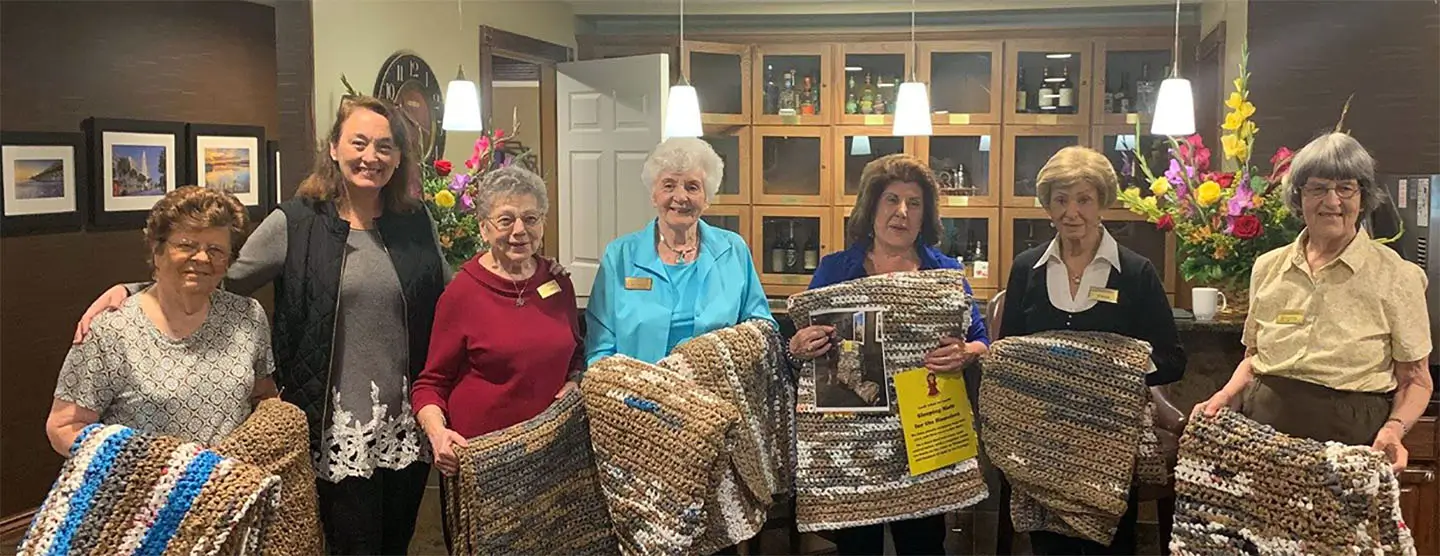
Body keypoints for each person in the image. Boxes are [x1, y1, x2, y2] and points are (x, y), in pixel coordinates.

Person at [73, 96, 448, 554]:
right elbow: (218, 277)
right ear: (334, 148)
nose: (372, 156)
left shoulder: (415, 222)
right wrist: (135, 290)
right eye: (360, 142)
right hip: (336, 426)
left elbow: (451, 296)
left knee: (398, 540)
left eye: (385, 147)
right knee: (354, 545)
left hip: (407, 421)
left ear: (398, 157)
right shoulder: (295, 222)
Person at [789, 153, 991, 556]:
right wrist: (799, 345)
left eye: (914, 203)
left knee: (923, 543)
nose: (902, 212)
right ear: (872, 207)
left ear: (925, 214)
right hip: (852, 440)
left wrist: (966, 352)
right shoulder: (836, 269)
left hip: (926, 428)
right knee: (857, 543)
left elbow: (981, 339)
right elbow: (798, 345)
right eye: (891, 200)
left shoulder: (945, 272)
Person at [1198, 132, 1433, 472]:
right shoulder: (1268, 268)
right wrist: (1223, 397)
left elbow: (1416, 380)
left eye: (1345, 188)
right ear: (1299, 196)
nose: (1332, 201)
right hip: (1260, 440)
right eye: (1318, 188)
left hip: (1351, 445)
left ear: (1363, 196)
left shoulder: (1398, 276)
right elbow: (1254, 360)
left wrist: (1394, 430)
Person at [998, 145, 1185, 555]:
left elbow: (1173, 359)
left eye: (1084, 199)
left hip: (1111, 448)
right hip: (1041, 445)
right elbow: (1007, 354)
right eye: (1061, 200)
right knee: (1049, 547)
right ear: (1047, 205)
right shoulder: (1026, 269)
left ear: (1102, 201)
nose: (1072, 213)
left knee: (1112, 548)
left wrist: (1108, 371)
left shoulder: (1135, 272)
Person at [46, 186, 278, 455]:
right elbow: (64, 426)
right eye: (186, 245)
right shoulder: (111, 330)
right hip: (144, 491)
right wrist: (144, 466)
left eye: (215, 250)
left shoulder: (247, 316)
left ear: (228, 261)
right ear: (157, 251)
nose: (202, 258)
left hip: (230, 491)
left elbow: (263, 398)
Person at [413, 165, 583, 479]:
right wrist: (438, 435)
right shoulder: (461, 293)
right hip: (483, 459)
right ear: (483, 229)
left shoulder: (559, 284)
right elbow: (429, 385)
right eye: (506, 219)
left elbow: (575, 354)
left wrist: (574, 381)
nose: (520, 230)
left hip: (550, 456)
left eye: (531, 218)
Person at [585, 137, 775, 365]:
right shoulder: (619, 255)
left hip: (717, 394)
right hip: (635, 393)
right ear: (653, 195)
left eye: (692, 187)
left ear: (707, 198)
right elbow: (599, 345)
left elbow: (761, 328)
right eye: (668, 185)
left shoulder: (733, 250)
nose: (680, 197)